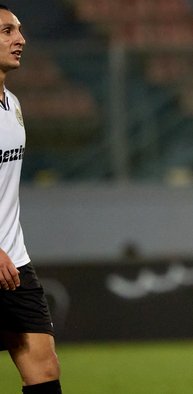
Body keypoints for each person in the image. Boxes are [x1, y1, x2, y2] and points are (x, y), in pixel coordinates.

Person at [0, 4, 63, 394]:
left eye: (19, 30)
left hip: (14, 261)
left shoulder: (14, 105)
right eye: (7, 31)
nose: (21, 39)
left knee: (44, 370)